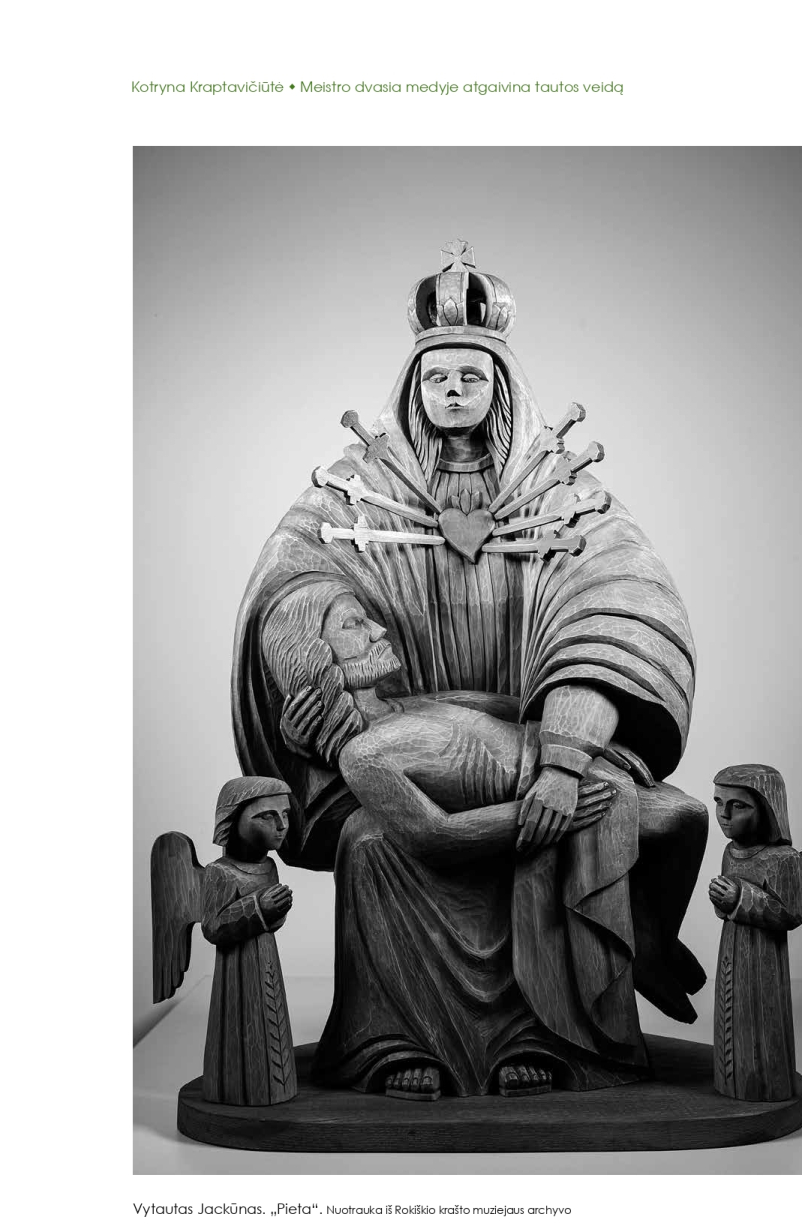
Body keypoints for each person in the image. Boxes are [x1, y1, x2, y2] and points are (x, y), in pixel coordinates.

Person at [232, 242, 708, 1085]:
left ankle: (547, 1042)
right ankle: (395, 1045)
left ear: (503, 387)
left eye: (471, 376)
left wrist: (563, 757)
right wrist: (313, 689)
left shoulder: (564, 495)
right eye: (435, 378)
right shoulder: (356, 492)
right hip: (405, 743)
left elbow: (619, 613)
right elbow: (291, 586)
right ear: (410, 389)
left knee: (643, 816)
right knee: (375, 842)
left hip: (541, 739)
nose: (451, 391)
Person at [261, 577, 687, 1098]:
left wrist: (581, 746)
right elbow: (433, 833)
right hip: (541, 799)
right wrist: (536, 814)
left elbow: (506, 707)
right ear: (316, 659)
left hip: (557, 767)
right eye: (354, 624)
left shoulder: (413, 706)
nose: (378, 630)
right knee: (367, 840)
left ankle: (653, 947)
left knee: (686, 818)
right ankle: (429, 1041)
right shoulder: (362, 754)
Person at [709, 765, 802, 1102]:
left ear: (767, 808)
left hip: (764, 958)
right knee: (730, 1012)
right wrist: (723, 900)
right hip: (732, 949)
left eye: (738, 805)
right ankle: (730, 1079)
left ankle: (764, 1086)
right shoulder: (730, 852)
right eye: (719, 802)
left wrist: (739, 897)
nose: (724, 814)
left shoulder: (782, 859)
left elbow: (791, 912)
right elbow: (727, 904)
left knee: (761, 1018)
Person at [201, 777, 297, 1105]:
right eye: (267, 816)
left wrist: (276, 912)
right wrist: (259, 907)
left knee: (271, 1021)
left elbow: (273, 923)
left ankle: (276, 1085)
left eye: (285, 814)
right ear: (232, 819)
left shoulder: (268, 866)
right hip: (236, 968)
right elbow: (213, 927)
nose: (282, 825)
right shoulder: (220, 872)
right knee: (243, 1026)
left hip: (266, 960)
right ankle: (239, 1088)